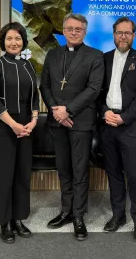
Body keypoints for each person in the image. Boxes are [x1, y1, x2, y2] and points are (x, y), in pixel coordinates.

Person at [40, 13, 104, 241]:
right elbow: (44, 85)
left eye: (78, 29)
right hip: (57, 122)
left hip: (81, 122)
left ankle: (79, 215)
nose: (74, 32)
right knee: (63, 168)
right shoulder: (53, 54)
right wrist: (57, 110)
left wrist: (68, 110)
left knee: (79, 170)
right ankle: (66, 210)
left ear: (85, 32)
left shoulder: (95, 56)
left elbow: (94, 89)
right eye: (69, 28)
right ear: (64, 30)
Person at [98, 17, 136, 242]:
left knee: (134, 175)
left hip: (131, 126)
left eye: (127, 33)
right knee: (113, 174)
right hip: (108, 124)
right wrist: (104, 112)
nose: (123, 36)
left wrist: (124, 118)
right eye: (119, 32)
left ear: (134, 35)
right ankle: (118, 215)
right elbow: (97, 91)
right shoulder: (103, 59)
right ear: (113, 34)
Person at [0, 22, 39, 244]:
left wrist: (34, 121)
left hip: (27, 126)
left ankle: (18, 218)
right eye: (9, 39)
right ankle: (4, 221)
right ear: (3, 41)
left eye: (18, 38)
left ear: (23, 42)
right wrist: (13, 124)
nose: (14, 42)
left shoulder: (29, 65)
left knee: (22, 173)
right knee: (3, 175)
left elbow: (35, 97)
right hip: (4, 126)